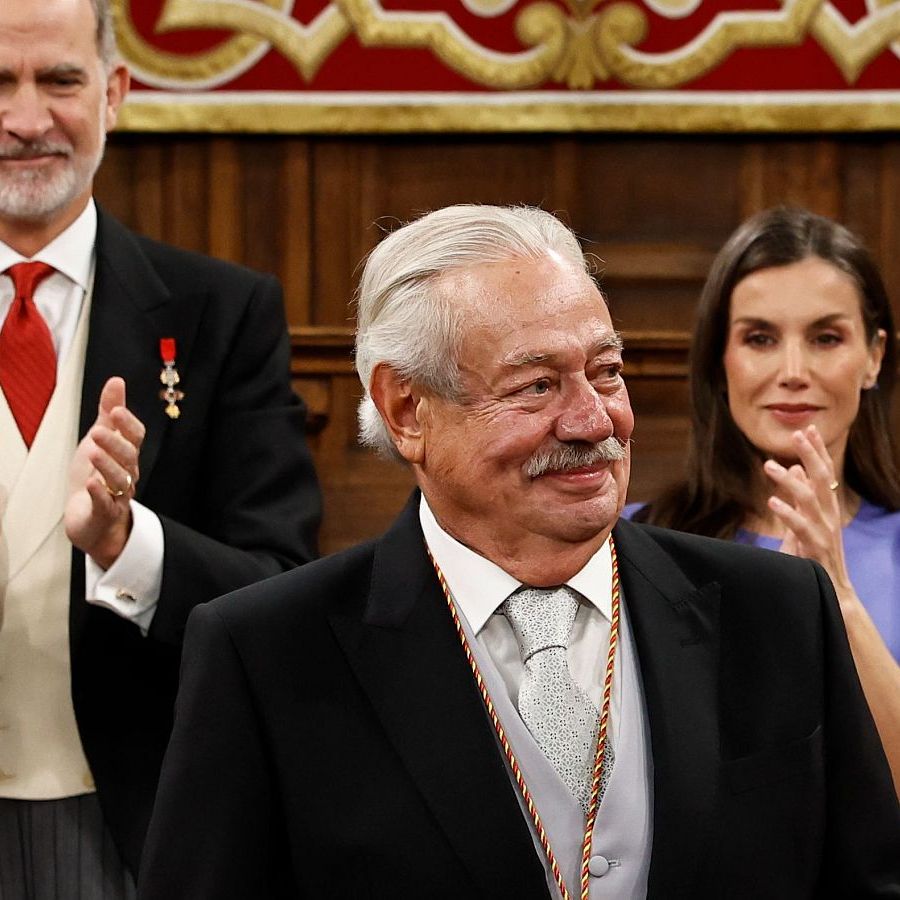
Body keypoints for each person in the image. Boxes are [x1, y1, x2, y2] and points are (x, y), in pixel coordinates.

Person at [138, 204, 899, 899]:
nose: (593, 420)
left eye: (606, 372)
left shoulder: (780, 609)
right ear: (408, 410)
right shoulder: (266, 655)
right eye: (536, 387)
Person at [0, 0, 322, 894]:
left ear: (114, 93)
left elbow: (280, 586)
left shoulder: (222, 314)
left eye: (59, 80)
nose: (27, 120)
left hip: (130, 822)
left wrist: (124, 544)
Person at [628, 207, 900, 795]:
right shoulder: (638, 545)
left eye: (827, 338)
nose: (793, 371)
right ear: (720, 362)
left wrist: (836, 595)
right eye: (759, 339)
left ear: (874, 356)